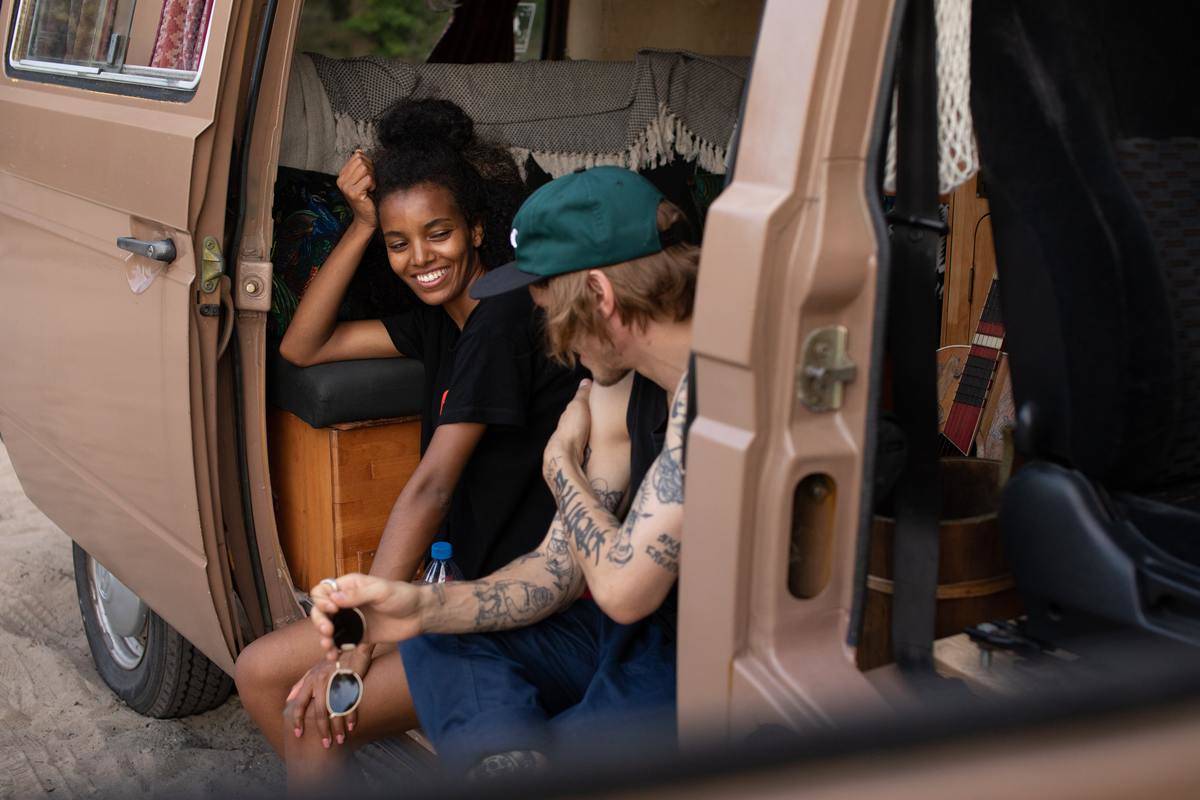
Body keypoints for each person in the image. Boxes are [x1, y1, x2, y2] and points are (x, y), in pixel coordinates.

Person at [233, 98, 582, 791]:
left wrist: (362, 634)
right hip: (450, 584)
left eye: (439, 233)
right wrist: (362, 226)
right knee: (259, 673)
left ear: (477, 228)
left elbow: (432, 485)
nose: (421, 258)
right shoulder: (444, 320)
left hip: (515, 606)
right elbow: (305, 346)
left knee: (310, 708)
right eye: (400, 242)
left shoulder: (503, 318)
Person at [308, 166, 699, 776]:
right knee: (436, 625)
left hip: (697, 665)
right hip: (626, 640)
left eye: (551, 313)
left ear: (598, 295)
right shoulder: (618, 381)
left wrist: (560, 466)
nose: (554, 343)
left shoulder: (716, 396)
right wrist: (411, 607)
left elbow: (622, 592)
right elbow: (559, 569)